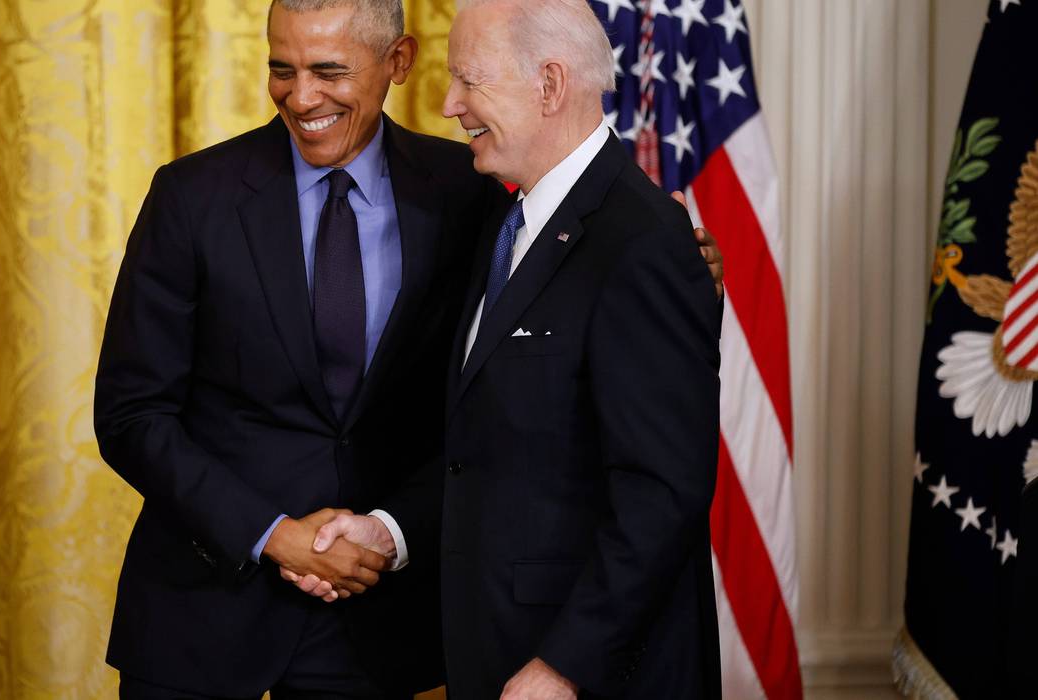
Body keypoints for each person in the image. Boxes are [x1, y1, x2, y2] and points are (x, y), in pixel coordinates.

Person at [96, 0, 722, 697]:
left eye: (328, 70)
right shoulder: (191, 197)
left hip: (376, 630)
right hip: (200, 617)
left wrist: (677, 259)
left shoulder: (471, 192)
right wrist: (271, 533)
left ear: (396, 62)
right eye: (282, 70)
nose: (301, 97)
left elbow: (493, 398)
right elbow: (130, 414)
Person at [304, 1, 722, 697]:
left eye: (469, 81)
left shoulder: (641, 243)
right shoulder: (508, 226)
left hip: (587, 672)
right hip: (497, 653)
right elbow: (491, 447)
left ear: (549, 85)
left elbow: (660, 494)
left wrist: (566, 664)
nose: (448, 105)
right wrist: (389, 528)